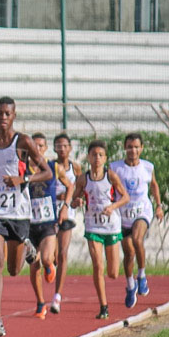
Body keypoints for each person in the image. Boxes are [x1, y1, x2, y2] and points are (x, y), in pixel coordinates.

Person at [0, 97, 50, 337]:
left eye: (7, 114)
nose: (3, 117)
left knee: (14, 269)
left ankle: (29, 247)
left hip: (17, 211)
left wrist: (23, 179)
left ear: (14, 116)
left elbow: (47, 172)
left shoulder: (23, 141)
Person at [70, 139, 130, 320]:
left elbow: (125, 197)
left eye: (100, 155)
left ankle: (119, 285)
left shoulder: (110, 176)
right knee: (98, 266)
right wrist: (78, 201)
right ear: (88, 157)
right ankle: (104, 306)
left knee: (112, 273)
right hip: (92, 226)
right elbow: (73, 200)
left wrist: (113, 206)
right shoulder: (83, 178)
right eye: (94, 155)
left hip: (111, 226)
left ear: (105, 158)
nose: (97, 158)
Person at [110, 133, 164, 307]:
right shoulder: (115, 167)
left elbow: (154, 184)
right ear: (125, 148)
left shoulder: (147, 167)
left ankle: (141, 275)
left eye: (136, 147)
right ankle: (130, 285)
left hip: (142, 211)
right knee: (129, 252)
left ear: (141, 148)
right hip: (123, 214)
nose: (132, 150)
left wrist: (159, 205)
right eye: (129, 147)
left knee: (137, 239)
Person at [26, 133, 75, 319]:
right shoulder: (23, 169)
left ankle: (50, 266)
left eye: (41, 145)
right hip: (29, 225)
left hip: (47, 223)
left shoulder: (54, 167)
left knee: (46, 259)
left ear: (45, 148)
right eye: (34, 145)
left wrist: (65, 207)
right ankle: (40, 303)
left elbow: (70, 186)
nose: (37, 149)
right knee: (33, 264)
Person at [50, 133, 81, 315]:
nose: (61, 149)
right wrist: (59, 197)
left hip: (67, 212)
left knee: (62, 253)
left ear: (70, 148)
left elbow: (79, 189)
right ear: (54, 148)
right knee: (52, 256)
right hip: (49, 212)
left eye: (64, 146)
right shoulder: (50, 166)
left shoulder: (76, 168)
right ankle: (50, 265)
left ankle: (57, 296)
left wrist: (76, 200)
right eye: (58, 145)